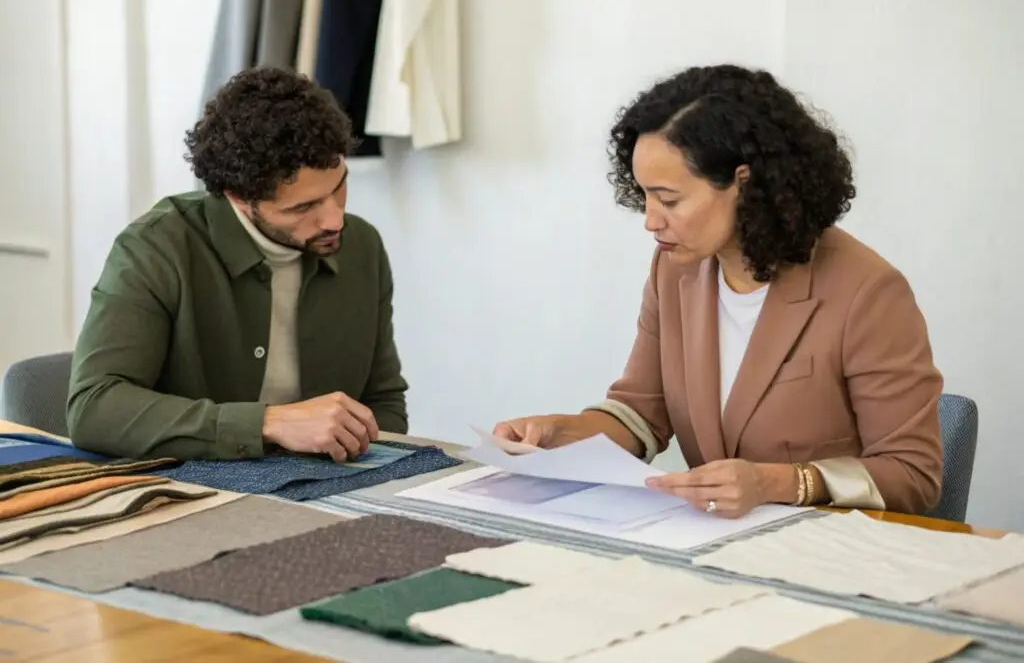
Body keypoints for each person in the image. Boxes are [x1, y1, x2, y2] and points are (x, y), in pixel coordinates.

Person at [493, 65, 943, 517]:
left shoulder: (867, 292)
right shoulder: (674, 271)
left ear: (744, 183)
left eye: (669, 200)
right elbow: (642, 416)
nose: (650, 220)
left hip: (826, 543)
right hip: (713, 537)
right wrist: (562, 434)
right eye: (644, 195)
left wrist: (775, 482)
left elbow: (913, 475)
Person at [68, 66, 408, 462]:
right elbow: (93, 408)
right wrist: (267, 423)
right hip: (190, 485)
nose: (334, 220)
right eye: (303, 207)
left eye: (339, 186)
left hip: (327, 484)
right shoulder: (157, 248)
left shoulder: (362, 246)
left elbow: (383, 403)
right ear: (238, 198)